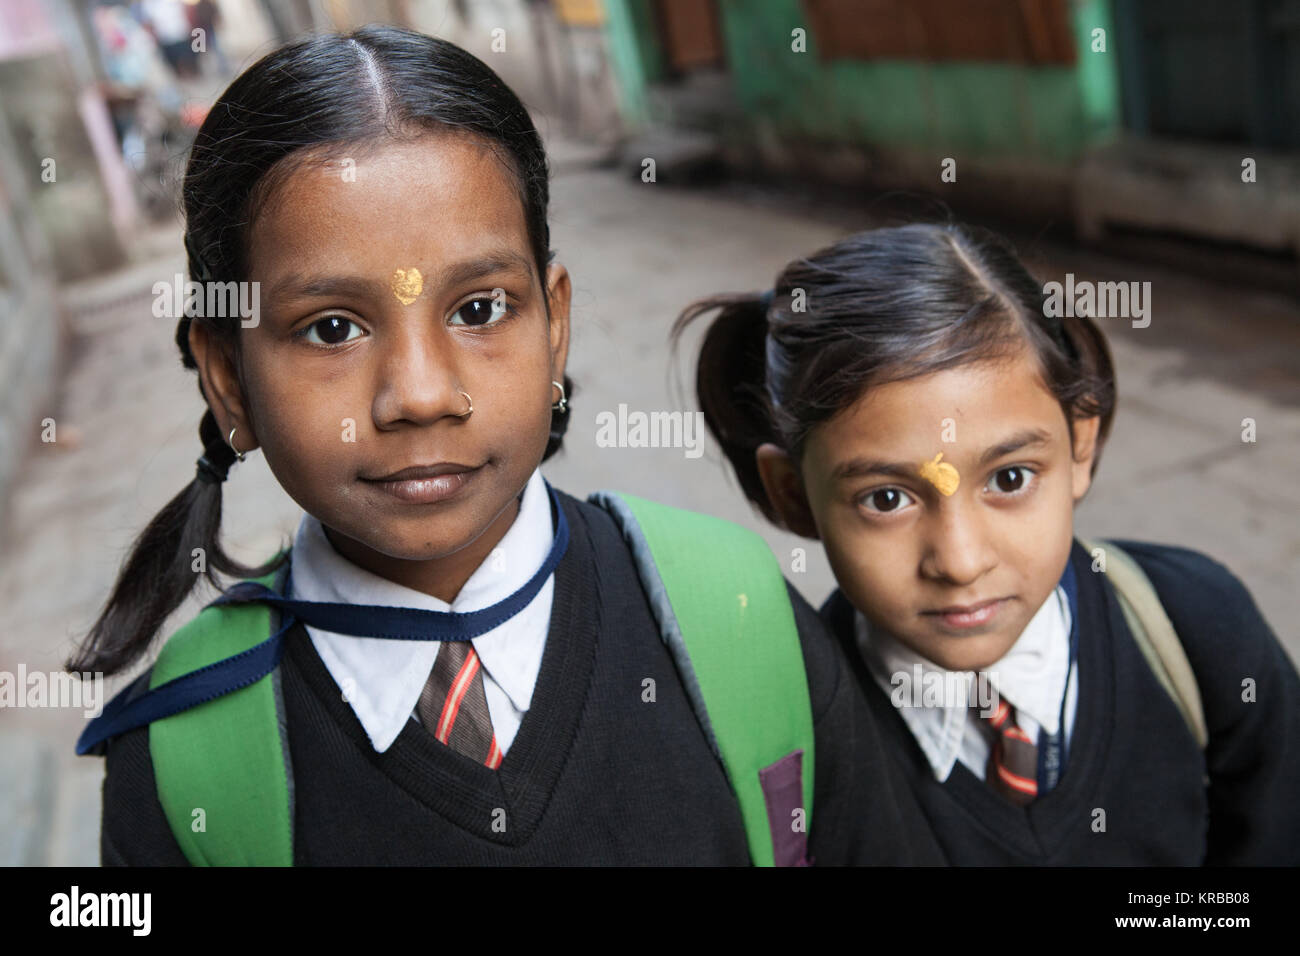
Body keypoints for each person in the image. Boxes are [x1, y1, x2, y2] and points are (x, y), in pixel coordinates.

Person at [69, 27, 940, 867]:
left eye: (479, 309)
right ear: (227, 375)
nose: (419, 394)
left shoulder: (736, 615)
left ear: (555, 322)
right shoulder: (189, 760)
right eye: (332, 327)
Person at [675, 221, 1300, 864]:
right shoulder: (796, 738)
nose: (962, 561)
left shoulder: (1199, 632)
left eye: (1009, 478)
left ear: (1080, 445)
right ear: (792, 494)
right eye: (886, 498)